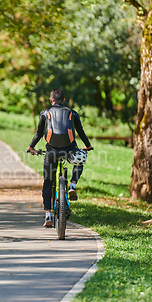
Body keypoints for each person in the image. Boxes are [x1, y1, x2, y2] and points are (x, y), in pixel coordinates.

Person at [27, 88, 93, 227]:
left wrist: (31, 147)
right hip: (70, 150)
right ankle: (73, 185)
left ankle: (48, 216)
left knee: (48, 182)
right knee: (80, 161)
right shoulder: (72, 112)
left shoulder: (44, 113)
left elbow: (39, 134)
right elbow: (81, 132)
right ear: (63, 100)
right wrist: (87, 146)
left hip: (51, 152)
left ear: (51, 100)